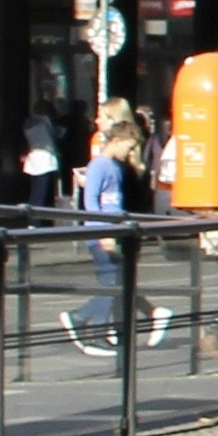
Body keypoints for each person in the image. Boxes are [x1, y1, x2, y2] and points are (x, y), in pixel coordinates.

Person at [65, 99, 168, 349]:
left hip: (112, 228)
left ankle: (99, 329)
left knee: (115, 283)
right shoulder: (101, 165)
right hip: (102, 231)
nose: (128, 152)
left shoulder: (114, 167)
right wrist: (104, 231)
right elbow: (91, 200)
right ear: (117, 141)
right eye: (128, 146)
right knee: (113, 284)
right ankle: (80, 318)